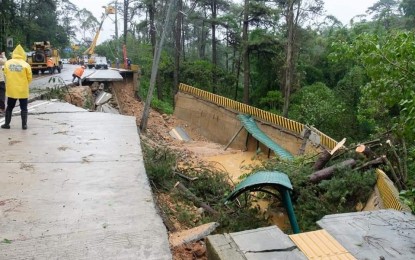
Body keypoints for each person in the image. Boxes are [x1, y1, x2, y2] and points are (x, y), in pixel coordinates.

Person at [1, 44, 32, 130]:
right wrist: (25, 84)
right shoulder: (26, 65)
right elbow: (29, 78)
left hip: (12, 89)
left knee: (10, 107)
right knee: (24, 108)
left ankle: (7, 124)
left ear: (14, 53)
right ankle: (24, 125)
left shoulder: (8, 63)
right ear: (23, 54)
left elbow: (5, 74)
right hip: (23, 90)